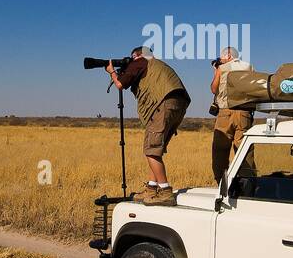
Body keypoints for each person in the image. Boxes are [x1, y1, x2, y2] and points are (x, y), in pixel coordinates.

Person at [106, 47, 191, 205]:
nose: (131, 60)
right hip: (177, 104)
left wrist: (112, 71)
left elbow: (120, 84)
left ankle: (165, 192)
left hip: (163, 104)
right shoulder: (158, 64)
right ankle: (151, 189)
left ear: (137, 55)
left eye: (132, 57)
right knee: (155, 149)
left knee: (151, 150)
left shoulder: (141, 61)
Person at [209, 46, 253, 182]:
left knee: (220, 149)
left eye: (222, 58)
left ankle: (222, 182)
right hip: (244, 113)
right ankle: (248, 182)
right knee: (244, 149)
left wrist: (216, 71)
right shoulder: (249, 66)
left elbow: (213, 89)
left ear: (228, 56)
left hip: (225, 113)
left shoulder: (222, 69)